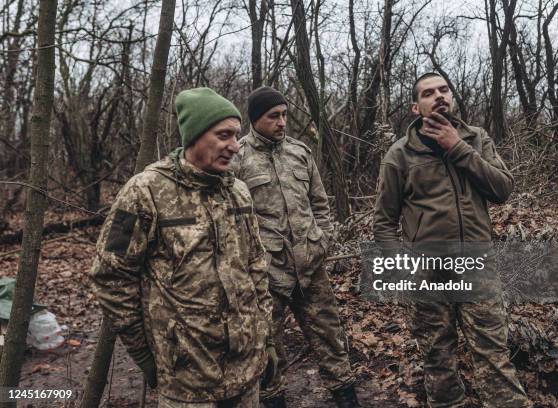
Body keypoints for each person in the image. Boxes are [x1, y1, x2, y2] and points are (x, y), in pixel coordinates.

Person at [91, 87, 276, 407]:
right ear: (195, 136)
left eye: (236, 135)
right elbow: (110, 276)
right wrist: (144, 354)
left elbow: (256, 266)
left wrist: (266, 338)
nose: (234, 146)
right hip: (186, 382)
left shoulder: (239, 193)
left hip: (247, 373)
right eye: (224, 135)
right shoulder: (145, 192)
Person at [373, 73, 532, 407]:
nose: (439, 96)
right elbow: (384, 221)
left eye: (444, 89)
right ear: (416, 107)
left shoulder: (476, 138)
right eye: (429, 93)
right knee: (438, 358)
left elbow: (502, 189)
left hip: (476, 265)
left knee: (493, 353)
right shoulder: (399, 155)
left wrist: (456, 147)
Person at [231, 86, 359, 408]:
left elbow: (320, 202)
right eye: (274, 116)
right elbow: (232, 218)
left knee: (330, 335)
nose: (282, 122)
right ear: (255, 118)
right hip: (268, 274)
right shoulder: (238, 157)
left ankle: (345, 394)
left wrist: (324, 239)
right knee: (267, 344)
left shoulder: (300, 152)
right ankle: (274, 399)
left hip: (310, 264)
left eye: (285, 114)